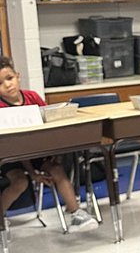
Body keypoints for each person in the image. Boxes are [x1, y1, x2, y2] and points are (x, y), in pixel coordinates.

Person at [0, 55, 98, 229]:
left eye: (10, 78)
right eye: (0, 83)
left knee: (57, 170)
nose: (7, 85)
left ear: (18, 76)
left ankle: (76, 213)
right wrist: (32, 173)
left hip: (37, 151)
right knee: (20, 182)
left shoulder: (32, 97)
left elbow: (49, 124)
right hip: (11, 155)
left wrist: (55, 155)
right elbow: (15, 143)